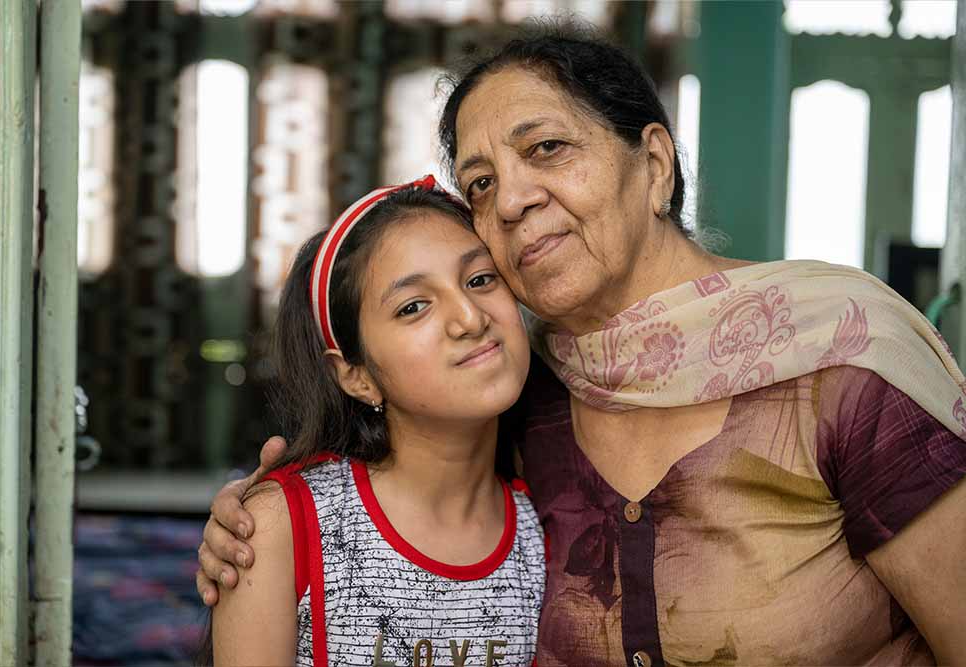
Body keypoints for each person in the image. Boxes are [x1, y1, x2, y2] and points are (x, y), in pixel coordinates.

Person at [199, 27, 966, 667]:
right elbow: (402, 480)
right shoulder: (532, 403)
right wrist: (259, 518)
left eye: (549, 148)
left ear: (656, 164)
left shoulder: (841, 361)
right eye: (482, 184)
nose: (516, 197)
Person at [208, 179, 545, 666]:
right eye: (413, 307)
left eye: (479, 279)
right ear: (356, 376)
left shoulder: (548, 527)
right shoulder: (283, 526)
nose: (470, 318)